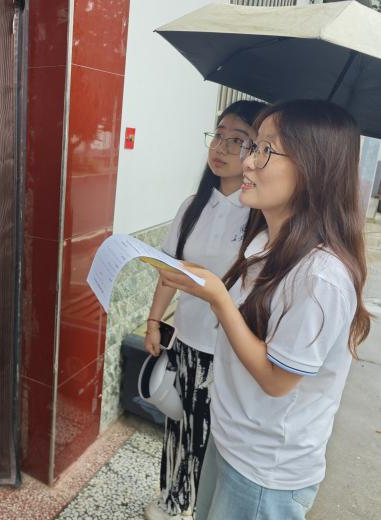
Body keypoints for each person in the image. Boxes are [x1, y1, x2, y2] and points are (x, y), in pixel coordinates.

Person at [159, 99, 370, 520]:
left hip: (266, 468)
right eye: (254, 146)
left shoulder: (320, 276)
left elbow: (276, 380)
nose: (248, 162)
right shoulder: (263, 244)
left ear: (312, 168)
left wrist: (219, 298)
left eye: (265, 150)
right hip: (231, 438)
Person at [144, 100, 266, 520]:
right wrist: (154, 322)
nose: (221, 147)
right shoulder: (193, 205)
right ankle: (172, 499)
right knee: (177, 426)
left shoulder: (259, 217)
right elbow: (169, 272)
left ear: (257, 151)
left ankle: (201, 507)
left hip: (228, 352)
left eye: (237, 140)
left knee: (209, 436)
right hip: (186, 340)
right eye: (218, 135)